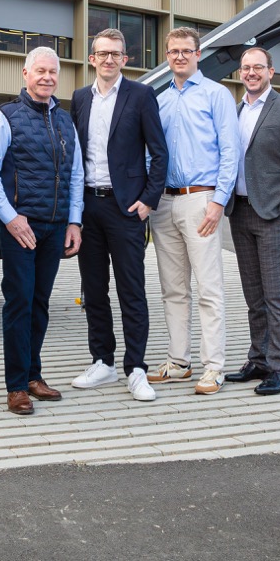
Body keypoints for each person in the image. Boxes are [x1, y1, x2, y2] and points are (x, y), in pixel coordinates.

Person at [0, 46, 84, 416]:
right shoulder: (5, 116)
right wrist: (10, 218)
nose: (47, 77)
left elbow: (76, 174)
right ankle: (15, 386)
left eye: (53, 72)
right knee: (19, 302)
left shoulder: (65, 120)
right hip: (19, 228)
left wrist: (74, 221)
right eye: (40, 71)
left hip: (54, 226)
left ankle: (33, 376)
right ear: (25, 74)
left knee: (40, 303)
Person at [69, 28, 168, 402]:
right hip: (89, 207)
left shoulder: (141, 95)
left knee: (131, 290)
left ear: (125, 59)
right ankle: (103, 361)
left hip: (126, 208)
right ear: (92, 58)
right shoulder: (80, 98)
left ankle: (136, 368)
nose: (108, 59)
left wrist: (148, 200)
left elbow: (159, 153)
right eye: (102, 53)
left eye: (115, 54)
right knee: (93, 289)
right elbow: (75, 155)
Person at [148, 27, 239, 396]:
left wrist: (218, 201)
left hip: (201, 200)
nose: (180, 56)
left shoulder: (217, 95)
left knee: (208, 289)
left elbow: (230, 151)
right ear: (167, 56)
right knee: (173, 289)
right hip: (163, 203)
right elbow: (151, 152)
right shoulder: (159, 100)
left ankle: (214, 367)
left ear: (198, 54)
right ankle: (179, 362)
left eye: (187, 50)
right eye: (174, 51)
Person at [225, 47, 280, 396]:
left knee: (277, 296)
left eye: (258, 67)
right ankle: (258, 359)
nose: (251, 73)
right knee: (254, 296)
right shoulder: (235, 111)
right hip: (240, 213)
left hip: (273, 216)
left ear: (271, 71)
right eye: (246, 68)